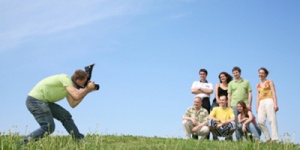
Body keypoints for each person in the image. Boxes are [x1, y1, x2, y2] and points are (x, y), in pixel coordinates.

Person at [22, 70, 96, 143]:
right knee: (48, 127)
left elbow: (73, 104)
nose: (84, 84)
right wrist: (87, 89)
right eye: (85, 82)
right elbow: (76, 96)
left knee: (65, 115)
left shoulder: (68, 87)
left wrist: (87, 91)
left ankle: (79, 140)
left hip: (44, 101)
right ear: (78, 80)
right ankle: (22, 143)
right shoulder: (65, 79)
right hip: (35, 101)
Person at [227, 66, 252, 140]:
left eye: (236, 72)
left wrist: (249, 104)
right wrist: (229, 106)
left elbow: (249, 93)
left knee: (246, 120)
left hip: (245, 104)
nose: (235, 74)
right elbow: (229, 95)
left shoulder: (246, 82)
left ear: (240, 73)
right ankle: (239, 138)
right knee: (236, 122)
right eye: (234, 73)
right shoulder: (231, 83)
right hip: (234, 104)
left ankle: (249, 137)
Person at [256, 67, 279, 143]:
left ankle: (274, 138)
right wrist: (257, 106)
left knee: (272, 119)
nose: (261, 74)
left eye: (262, 73)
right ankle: (268, 138)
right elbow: (257, 96)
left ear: (265, 74)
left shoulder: (270, 82)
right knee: (260, 121)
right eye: (259, 73)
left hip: (269, 100)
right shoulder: (258, 85)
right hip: (261, 102)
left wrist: (275, 103)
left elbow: (273, 92)